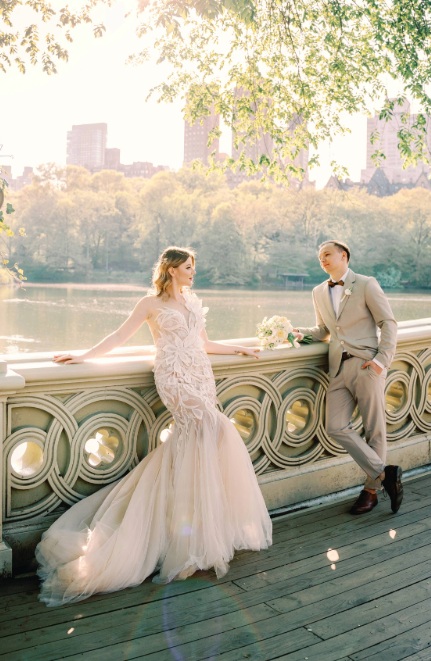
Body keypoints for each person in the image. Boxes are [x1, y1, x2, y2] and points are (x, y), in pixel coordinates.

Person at [36, 246, 272, 605]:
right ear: (172, 269)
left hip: (200, 376)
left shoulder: (193, 302)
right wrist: (83, 355)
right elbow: (119, 337)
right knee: (218, 428)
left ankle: (192, 537)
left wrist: (240, 350)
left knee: (200, 447)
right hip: (174, 378)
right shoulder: (149, 304)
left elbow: (204, 344)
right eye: (189, 267)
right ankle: (184, 541)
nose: (194, 272)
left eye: (194, 267)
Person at [293, 240, 402, 516]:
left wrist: (381, 361)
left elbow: (388, 323)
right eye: (319, 257)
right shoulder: (318, 291)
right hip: (338, 369)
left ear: (344, 256)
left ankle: (370, 492)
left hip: (367, 366)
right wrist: (295, 334)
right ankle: (384, 473)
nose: (323, 260)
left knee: (374, 429)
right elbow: (323, 331)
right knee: (336, 426)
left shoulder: (366, 284)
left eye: (327, 255)